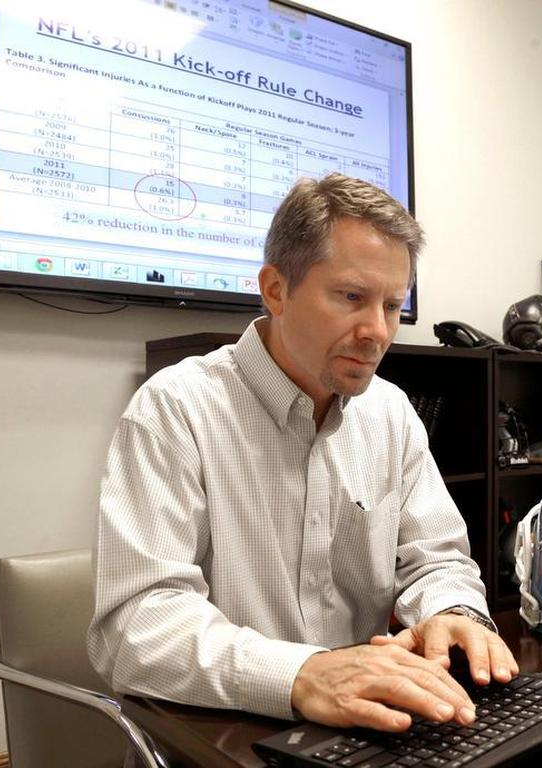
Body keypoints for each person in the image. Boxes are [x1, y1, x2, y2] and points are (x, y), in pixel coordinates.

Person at [88, 173, 517, 735]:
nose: (377, 331)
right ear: (276, 289)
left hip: (362, 730)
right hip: (222, 739)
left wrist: (452, 611)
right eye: (352, 298)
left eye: (392, 305)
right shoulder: (175, 409)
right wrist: (301, 675)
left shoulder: (390, 413)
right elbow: (136, 626)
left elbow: (436, 557)